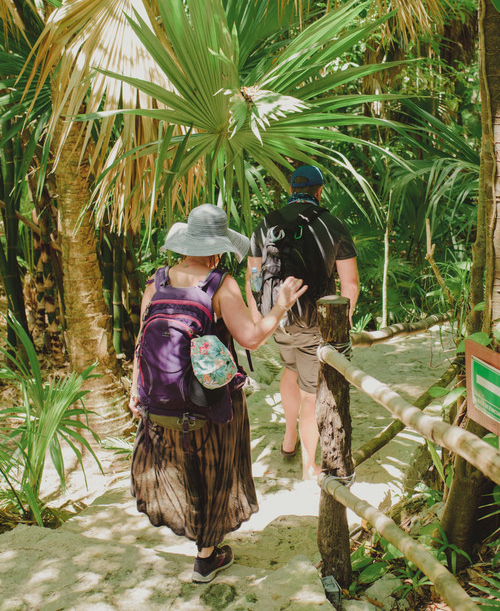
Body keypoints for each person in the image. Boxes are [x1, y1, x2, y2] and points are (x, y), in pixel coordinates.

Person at [128, 204, 306, 584]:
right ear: (219, 248)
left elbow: (143, 340)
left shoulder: (155, 282)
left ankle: (201, 543)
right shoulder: (220, 285)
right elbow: (253, 339)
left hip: (159, 405)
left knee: (183, 467)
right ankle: (206, 556)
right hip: (210, 403)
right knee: (215, 468)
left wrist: (135, 390)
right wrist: (280, 306)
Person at [246, 165, 359, 480]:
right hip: (315, 323)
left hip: (278, 320)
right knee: (311, 393)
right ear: (319, 191)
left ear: (291, 191)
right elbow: (350, 284)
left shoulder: (267, 224)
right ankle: (310, 467)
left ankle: (289, 438)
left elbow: (253, 274)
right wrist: (341, 325)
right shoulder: (332, 224)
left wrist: (261, 317)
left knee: (290, 369)